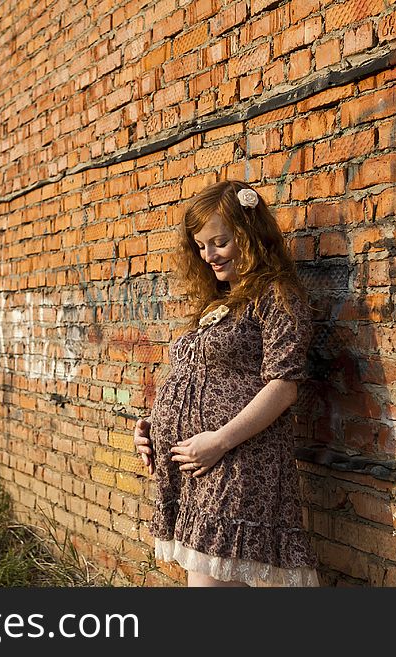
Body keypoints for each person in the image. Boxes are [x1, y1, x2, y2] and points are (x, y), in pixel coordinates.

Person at [133, 179, 319, 587]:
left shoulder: (277, 296)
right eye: (200, 246)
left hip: (238, 463)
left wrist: (218, 440)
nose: (208, 255)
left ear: (251, 235)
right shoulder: (220, 303)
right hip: (201, 467)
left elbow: (284, 385)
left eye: (219, 242)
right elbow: (197, 375)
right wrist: (152, 424)